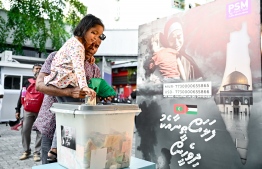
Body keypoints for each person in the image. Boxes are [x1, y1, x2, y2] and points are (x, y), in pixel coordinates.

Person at [33, 39, 105, 164]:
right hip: (51, 124)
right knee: (49, 164)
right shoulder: (55, 57)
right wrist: (69, 92)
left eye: (97, 46)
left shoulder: (95, 69)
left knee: (71, 164)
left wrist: (101, 96)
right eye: (91, 43)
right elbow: (39, 85)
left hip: (77, 131)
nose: (93, 48)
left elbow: (95, 99)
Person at [44, 14, 106, 102]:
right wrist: (84, 86)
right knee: (72, 107)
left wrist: (89, 56)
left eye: (98, 35)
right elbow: (79, 67)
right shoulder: (78, 47)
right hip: (64, 81)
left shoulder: (73, 42)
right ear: (84, 29)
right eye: (93, 33)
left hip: (58, 79)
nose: (95, 38)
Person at [147, 17, 203, 82]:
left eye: (179, 37)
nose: (176, 43)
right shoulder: (160, 58)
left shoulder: (189, 61)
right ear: (167, 40)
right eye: (172, 39)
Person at [15, 63, 43, 161]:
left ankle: (37, 153)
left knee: (40, 132)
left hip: (41, 111)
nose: (38, 70)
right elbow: (22, 95)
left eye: (40, 68)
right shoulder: (27, 81)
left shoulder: (44, 81)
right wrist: (17, 109)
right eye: (36, 68)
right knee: (25, 130)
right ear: (33, 70)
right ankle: (26, 151)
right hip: (28, 110)